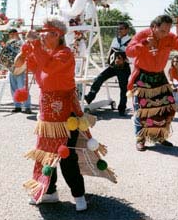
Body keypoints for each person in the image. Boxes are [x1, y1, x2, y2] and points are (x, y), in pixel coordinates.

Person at [15, 18, 116, 211]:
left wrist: (35, 45)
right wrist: (23, 51)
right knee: (45, 156)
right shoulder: (42, 52)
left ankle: (79, 196)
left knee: (67, 157)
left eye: (44, 32)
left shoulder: (65, 54)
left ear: (56, 35)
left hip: (66, 114)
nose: (40, 35)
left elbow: (49, 67)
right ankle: (49, 192)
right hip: (46, 116)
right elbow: (20, 67)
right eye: (40, 32)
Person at [126, 14, 178, 151]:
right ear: (154, 27)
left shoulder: (170, 37)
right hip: (142, 77)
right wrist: (143, 44)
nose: (165, 34)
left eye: (168, 31)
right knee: (142, 110)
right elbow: (129, 52)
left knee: (166, 107)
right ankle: (140, 139)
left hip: (159, 77)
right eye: (162, 31)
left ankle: (160, 136)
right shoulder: (142, 35)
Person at [84, 22, 131, 116]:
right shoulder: (115, 40)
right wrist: (109, 59)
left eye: (121, 28)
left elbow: (133, 56)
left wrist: (125, 59)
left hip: (124, 67)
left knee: (123, 88)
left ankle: (122, 109)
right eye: (118, 28)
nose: (119, 30)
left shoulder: (131, 41)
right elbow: (111, 51)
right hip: (113, 66)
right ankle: (90, 97)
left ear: (127, 30)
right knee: (100, 78)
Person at [8, 29, 32, 114]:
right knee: (13, 88)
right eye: (9, 35)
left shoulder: (22, 43)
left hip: (21, 69)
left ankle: (27, 106)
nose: (10, 36)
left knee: (22, 88)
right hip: (11, 69)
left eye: (11, 34)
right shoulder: (9, 43)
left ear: (15, 34)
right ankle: (17, 106)